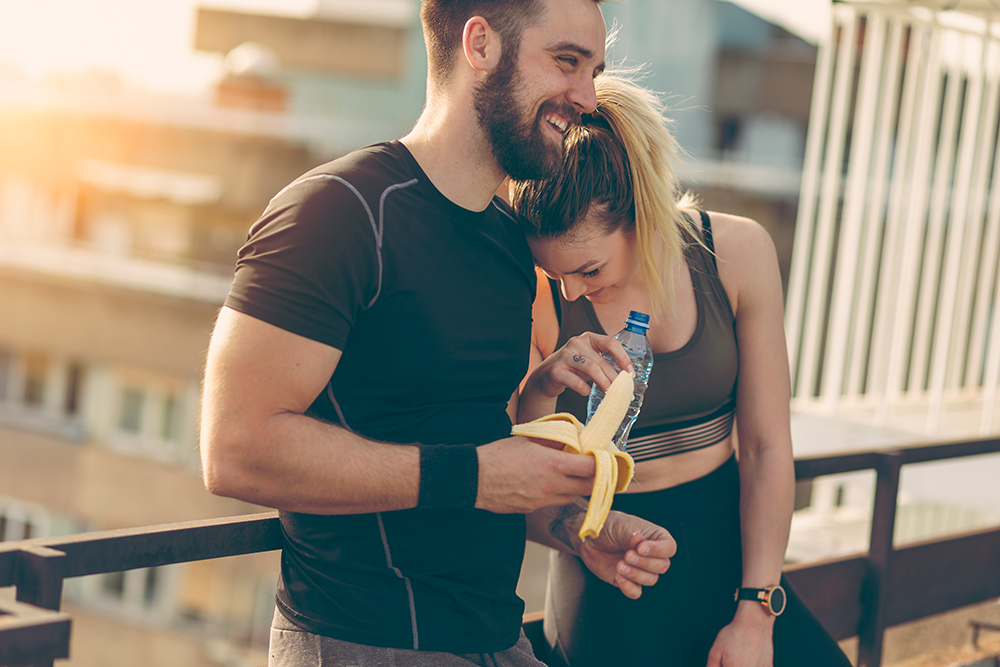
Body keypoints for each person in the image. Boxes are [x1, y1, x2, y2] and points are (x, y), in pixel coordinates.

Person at [199, 2, 679, 666]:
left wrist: (576, 528)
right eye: (567, 62)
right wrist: (477, 475)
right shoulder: (338, 211)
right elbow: (234, 448)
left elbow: (481, 476)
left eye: (594, 71)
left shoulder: (512, 247)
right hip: (362, 644)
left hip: (498, 641)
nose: (587, 98)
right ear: (479, 44)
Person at [511, 73, 854, 667]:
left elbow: (769, 448)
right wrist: (538, 388)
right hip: (609, 565)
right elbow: (518, 483)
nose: (571, 289)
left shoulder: (737, 254)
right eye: (556, 273)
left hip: (732, 550)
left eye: (588, 270)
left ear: (639, 215)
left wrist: (755, 610)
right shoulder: (538, 295)